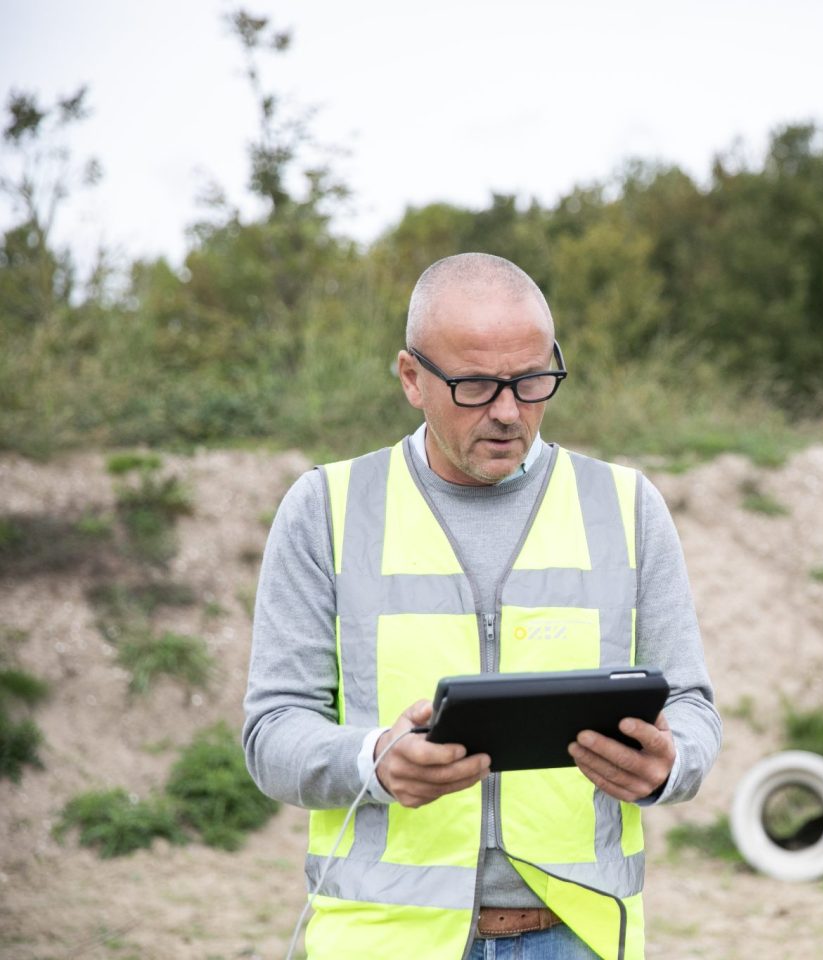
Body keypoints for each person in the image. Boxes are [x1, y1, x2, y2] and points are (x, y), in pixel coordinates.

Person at [243, 252, 722, 960]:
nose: (507, 411)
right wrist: (372, 760)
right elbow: (272, 732)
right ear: (411, 378)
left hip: (577, 937)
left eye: (532, 381)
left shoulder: (626, 508)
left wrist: (670, 764)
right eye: (473, 385)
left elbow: (692, 707)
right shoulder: (327, 509)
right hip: (383, 941)